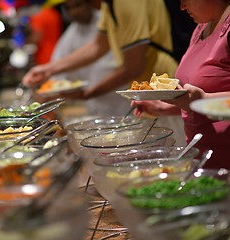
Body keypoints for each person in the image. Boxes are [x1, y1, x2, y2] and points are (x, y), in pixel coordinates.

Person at [132, 0, 230, 206]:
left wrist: (203, 100)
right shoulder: (204, 24)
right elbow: (208, 93)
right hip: (212, 168)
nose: (181, 6)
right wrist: (166, 107)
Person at [23, 0, 187, 145]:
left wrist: (89, 93)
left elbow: (133, 66)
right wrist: (47, 69)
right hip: (146, 93)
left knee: (171, 156)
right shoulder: (111, 4)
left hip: (160, 88)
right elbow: (98, 46)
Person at [49, 0, 130, 116]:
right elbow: (58, 72)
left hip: (122, 97)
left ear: (89, 3)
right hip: (95, 102)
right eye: (69, 8)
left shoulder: (109, 19)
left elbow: (131, 65)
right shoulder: (70, 36)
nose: (74, 12)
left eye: (78, 5)